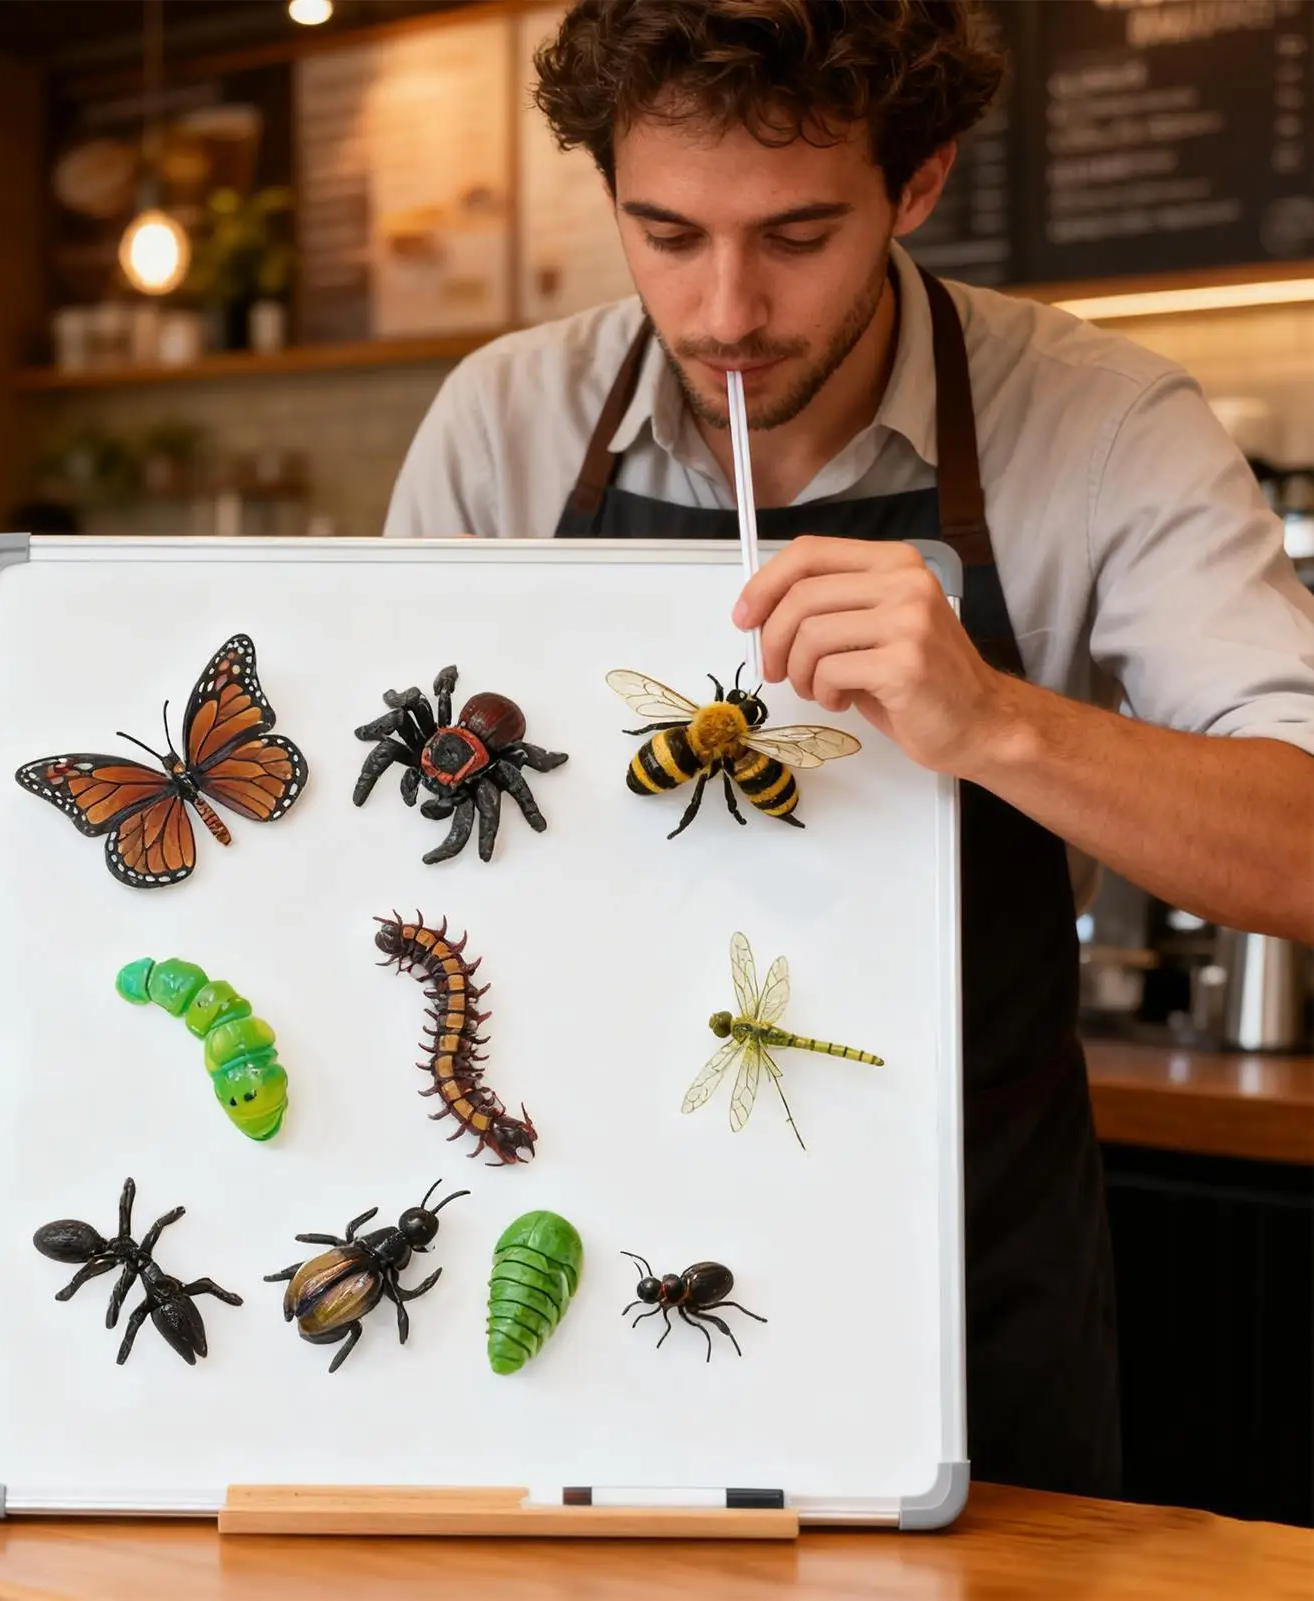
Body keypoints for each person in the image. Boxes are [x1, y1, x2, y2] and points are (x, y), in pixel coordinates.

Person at [384, 0, 1314, 1498]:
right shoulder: (505, 424)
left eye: (800, 234)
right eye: (664, 233)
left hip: (954, 1268)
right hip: (560, 1227)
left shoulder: (1098, 424)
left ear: (920, 183)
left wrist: (996, 720)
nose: (725, 312)